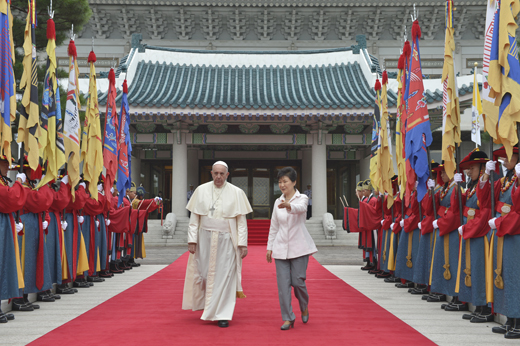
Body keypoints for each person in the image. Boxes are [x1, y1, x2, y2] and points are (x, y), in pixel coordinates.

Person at [182, 161, 252, 328]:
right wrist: (192, 240)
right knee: (206, 274)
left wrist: (242, 244)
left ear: (227, 175)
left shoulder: (237, 192)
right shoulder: (201, 190)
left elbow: (241, 222)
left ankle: (223, 314)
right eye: (216, 173)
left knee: (225, 276)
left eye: (222, 174)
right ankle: (208, 306)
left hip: (227, 240)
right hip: (205, 239)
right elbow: (194, 219)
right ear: (211, 173)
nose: (218, 176)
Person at [266, 167, 317, 330]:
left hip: (299, 247)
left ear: (294, 182)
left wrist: (289, 206)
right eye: (279, 182)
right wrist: (269, 247)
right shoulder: (277, 201)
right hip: (280, 247)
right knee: (283, 285)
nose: (282, 185)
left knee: (298, 281)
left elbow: (301, 209)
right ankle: (288, 318)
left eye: (285, 181)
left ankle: (304, 305)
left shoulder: (302, 198)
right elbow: (274, 226)